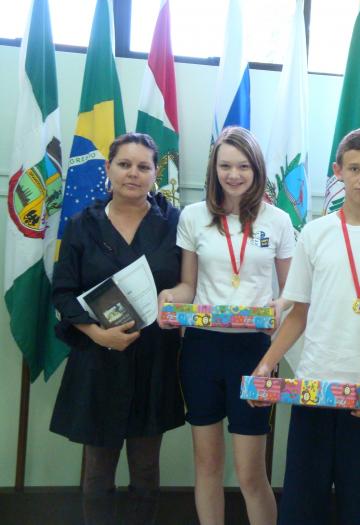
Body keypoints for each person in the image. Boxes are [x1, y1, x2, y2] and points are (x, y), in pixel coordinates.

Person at [251, 128, 360, 525]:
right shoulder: (315, 233)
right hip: (313, 388)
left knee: (359, 505)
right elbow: (299, 313)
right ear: (337, 171)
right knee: (301, 503)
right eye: (354, 168)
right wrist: (267, 363)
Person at [157, 126, 295, 525]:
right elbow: (188, 285)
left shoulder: (279, 220)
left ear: (257, 168)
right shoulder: (193, 216)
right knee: (207, 467)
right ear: (213, 168)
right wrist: (170, 299)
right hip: (201, 349)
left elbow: (292, 293)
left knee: (252, 473)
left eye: (243, 166)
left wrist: (278, 304)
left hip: (255, 353)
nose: (234, 174)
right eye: (225, 166)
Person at [51, 132, 185, 525]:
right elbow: (62, 294)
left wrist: (175, 296)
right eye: (124, 164)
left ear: (154, 173)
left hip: (154, 361)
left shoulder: (174, 223)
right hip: (98, 361)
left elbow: (189, 284)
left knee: (145, 473)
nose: (133, 173)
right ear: (108, 169)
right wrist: (98, 334)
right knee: (96, 475)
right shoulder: (81, 224)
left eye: (143, 166)